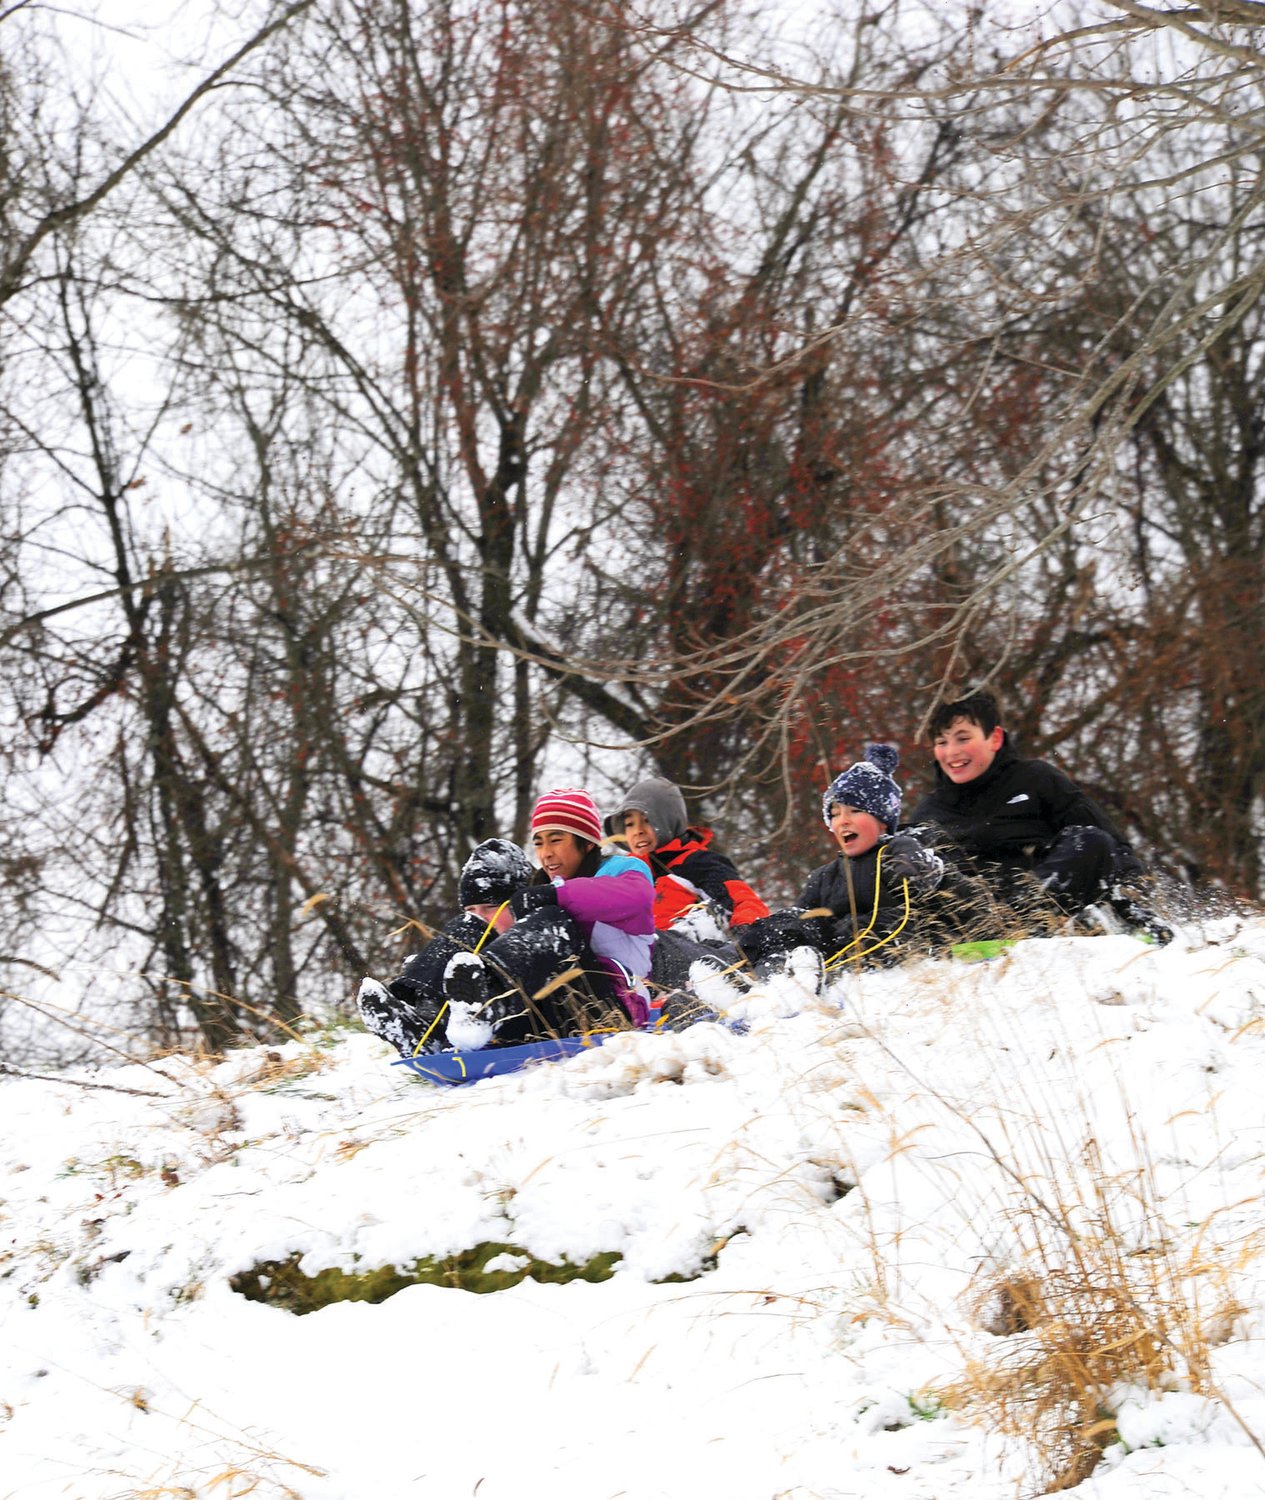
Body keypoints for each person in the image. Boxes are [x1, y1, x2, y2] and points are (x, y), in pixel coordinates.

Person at [911, 689, 1172, 942]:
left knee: (1090, 842)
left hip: (1044, 899)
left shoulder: (1037, 780)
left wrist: (1133, 896)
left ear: (995, 739)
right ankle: (1006, 932)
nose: (951, 752)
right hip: (976, 917)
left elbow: (1111, 843)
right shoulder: (931, 811)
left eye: (963, 738)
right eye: (941, 742)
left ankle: (1093, 921)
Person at [440, 788, 657, 1048]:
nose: (546, 853)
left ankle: (489, 1002)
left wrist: (556, 895)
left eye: (555, 840)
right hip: (548, 1012)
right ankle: (424, 1016)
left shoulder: (622, 871)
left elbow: (638, 896)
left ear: (587, 842)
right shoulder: (541, 888)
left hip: (607, 1010)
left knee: (554, 918)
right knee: (472, 923)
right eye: (539, 843)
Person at [736, 744, 945, 987]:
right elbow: (801, 922)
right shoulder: (825, 876)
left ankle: (794, 977)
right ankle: (749, 974)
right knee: (783, 923)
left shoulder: (896, 849)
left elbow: (925, 882)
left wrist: (915, 865)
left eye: (855, 811)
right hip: (825, 949)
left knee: (873, 923)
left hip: (875, 946)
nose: (842, 821)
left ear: (883, 820)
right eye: (834, 814)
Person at [356, 837, 533, 1058]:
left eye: (490, 907)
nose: (480, 918)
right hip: (476, 1024)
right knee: (455, 953)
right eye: (471, 909)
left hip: (526, 1019)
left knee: (465, 932)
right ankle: (421, 1021)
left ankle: (434, 1031)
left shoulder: (537, 934)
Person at [605, 775, 768, 1000]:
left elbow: (744, 901)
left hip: (690, 957)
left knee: (653, 945)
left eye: (647, 821)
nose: (638, 831)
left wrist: (746, 941)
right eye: (630, 824)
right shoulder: (624, 876)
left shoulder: (697, 864)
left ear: (668, 820)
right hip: (640, 967)